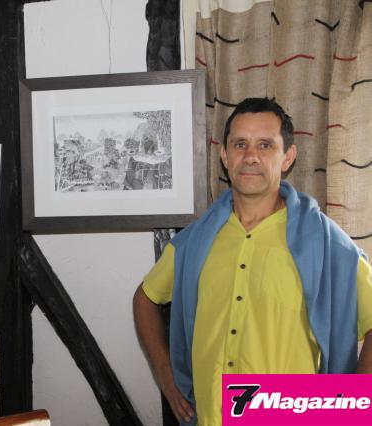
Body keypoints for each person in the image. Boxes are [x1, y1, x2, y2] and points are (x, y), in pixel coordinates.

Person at [132, 98, 372, 425]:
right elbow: (144, 299)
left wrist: (347, 408)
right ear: (224, 155)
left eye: (265, 145)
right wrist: (166, 377)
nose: (251, 157)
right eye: (240, 144)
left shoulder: (327, 244)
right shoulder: (194, 242)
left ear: (288, 156)